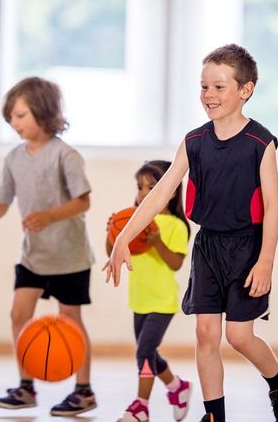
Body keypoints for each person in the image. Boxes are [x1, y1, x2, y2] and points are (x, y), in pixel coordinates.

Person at [104, 44, 278, 422]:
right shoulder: (194, 141)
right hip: (208, 246)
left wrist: (266, 260)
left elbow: (272, 207)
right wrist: (123, 238)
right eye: (204, 87)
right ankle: (214, 414)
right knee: (205, 333)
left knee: (238, 337)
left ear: (245, 90)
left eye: (219, 87)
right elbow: (160, 194)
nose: (209, 95)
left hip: (247, 249)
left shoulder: (260, 143)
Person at [0, 77, 97, 417]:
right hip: (33, 256)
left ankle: (83, 391)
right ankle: (26, 387)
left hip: (69, 256)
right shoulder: (14, 158)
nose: (14, 123)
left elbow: (83, 202)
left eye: (21, 115)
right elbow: (1, 203)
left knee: (70, 320)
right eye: (10, 117)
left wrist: (49, 215)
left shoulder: (65, 155)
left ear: (44, 112)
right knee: (18, 314)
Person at [109, 160, 192, 422]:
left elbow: (176, 263)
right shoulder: (133, 221)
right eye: (140, 187)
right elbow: (112, 253)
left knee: (143, 353)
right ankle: (178, 387)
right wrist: (110, 233)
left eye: (151, 187)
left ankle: (141, 406)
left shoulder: (177, 226)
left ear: (171, 190)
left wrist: (156, 242)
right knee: (149, 354)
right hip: (139, 299)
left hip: (162, 302)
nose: (143, 193)